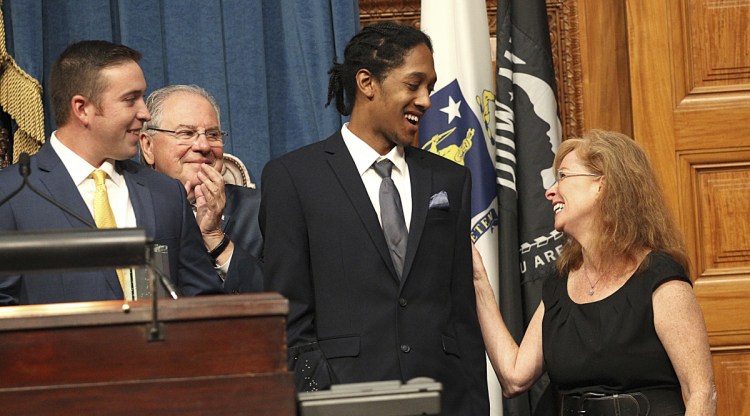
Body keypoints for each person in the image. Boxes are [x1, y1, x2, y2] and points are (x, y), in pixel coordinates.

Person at [259, 22, 489, 415]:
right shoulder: (294, 177)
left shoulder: (451, 179)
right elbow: (288, 314)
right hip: (343, 402)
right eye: (414, 84)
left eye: (430, 88)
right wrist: (321, 397)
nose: (426, 100)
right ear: (367, 82)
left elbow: (461, 316)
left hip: (442, 398)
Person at [472, 130, 716, 415]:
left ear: (603, 184)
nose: (550, 191)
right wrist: (478, 279)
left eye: (563, 176)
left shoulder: (658, 277)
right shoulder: (559, 284)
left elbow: (701, 392)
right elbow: (514, 376)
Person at [0, 40, 223, 305]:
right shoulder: (12, 194)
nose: (145, 113)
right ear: (82, 109)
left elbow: (204, 301)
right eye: (130, 100)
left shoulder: (165, 192)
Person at [139, 85, 263, 293]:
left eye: (213, 134)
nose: (204, 146)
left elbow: (281, 299)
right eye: (186, 133)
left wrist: (215, 238)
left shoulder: (259, 210)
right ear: (148, 147)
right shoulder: (129, 208)